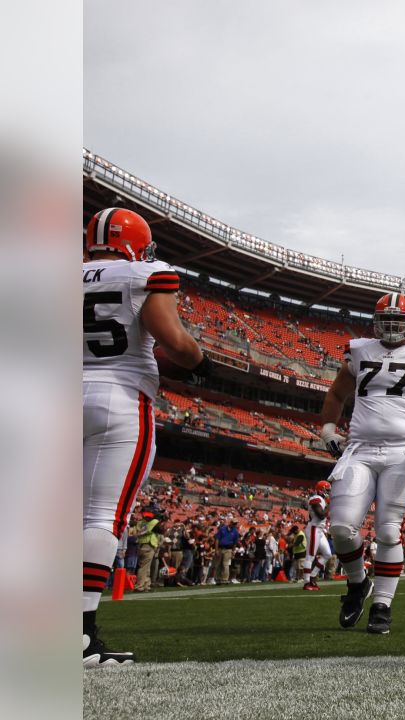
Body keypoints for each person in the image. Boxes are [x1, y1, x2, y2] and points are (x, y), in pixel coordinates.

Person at [82, 207, 211, 665]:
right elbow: (171, 338)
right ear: (136, 242)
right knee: (101, 518)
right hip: (119, 395)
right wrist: (202, 363)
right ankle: (78, 635)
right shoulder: (147, 271)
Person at [318, 293, 405, 634]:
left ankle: (382, 606)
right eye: (385, 319)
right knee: (342, 529)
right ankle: (358, 582)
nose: (391, 326)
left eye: (398, 320)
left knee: (389, 530)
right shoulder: (360, 350)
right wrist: (329, 429)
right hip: (359, 449)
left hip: (403, 452)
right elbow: (336, 394)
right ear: (375, 321)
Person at [301, 481, 333, 591]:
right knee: (310, 556)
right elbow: (321, 515)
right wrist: (330, 504)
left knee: (327, 554)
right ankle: (306, 582)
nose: (328, 492)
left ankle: (313, 575)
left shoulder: (321, 500)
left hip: (319, 530)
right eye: (327, 490)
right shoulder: (316, 499)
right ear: (321, 490)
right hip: (314, 528)